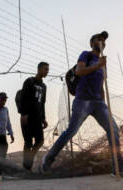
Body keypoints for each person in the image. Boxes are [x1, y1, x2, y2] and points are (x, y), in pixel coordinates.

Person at [41, 31, 123, 176]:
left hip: (98, 102)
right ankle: (48, 159)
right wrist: (98, 65)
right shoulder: (86, 55)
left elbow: (102, 85)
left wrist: (104, 106)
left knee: (113, 130)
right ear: (92, 43)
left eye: (104, 40)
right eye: (98, 39)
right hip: (82, 100)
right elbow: (79, 71)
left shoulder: (103, 62)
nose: (102, 42)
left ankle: (118, 167)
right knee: (71, 131)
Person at [20, 62, 49, 171]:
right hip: (27, 117)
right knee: (28, 142)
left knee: (40, 140)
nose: (47, 71)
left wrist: (43, 118)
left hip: (37, 118)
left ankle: (29, 160)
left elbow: (42, 103)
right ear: (39, 69)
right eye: (45, 69)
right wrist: (23, 114)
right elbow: (24, 98)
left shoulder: (44, 86)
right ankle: (27, 168)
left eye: (47, 69)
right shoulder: (29, 81)